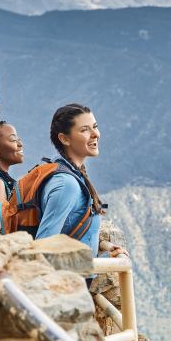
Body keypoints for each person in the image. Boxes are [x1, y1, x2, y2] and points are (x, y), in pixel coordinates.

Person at [36, 104, 125, 257]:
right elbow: (42, 250)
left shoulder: (74, 173)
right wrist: (104, 261)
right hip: (69, 280)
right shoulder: (66, 184)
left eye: (95, 127)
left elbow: (70, 230)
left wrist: (101, 247)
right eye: (84, 130)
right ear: (64, 139)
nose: (95, 134)